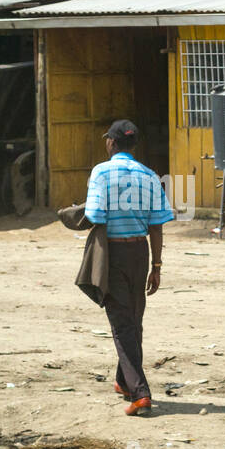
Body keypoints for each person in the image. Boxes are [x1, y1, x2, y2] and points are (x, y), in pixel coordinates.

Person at [57, 120, 174, 416]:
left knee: (122, 324)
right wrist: (156, 266)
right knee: (133, 318)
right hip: (141, 253)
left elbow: (96, 214)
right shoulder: (149, 176)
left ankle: (140, 393)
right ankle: (124, 381)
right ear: (133, 145)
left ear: (111, 143)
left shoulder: (101, 172)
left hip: (114, 253)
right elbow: (157, 225)